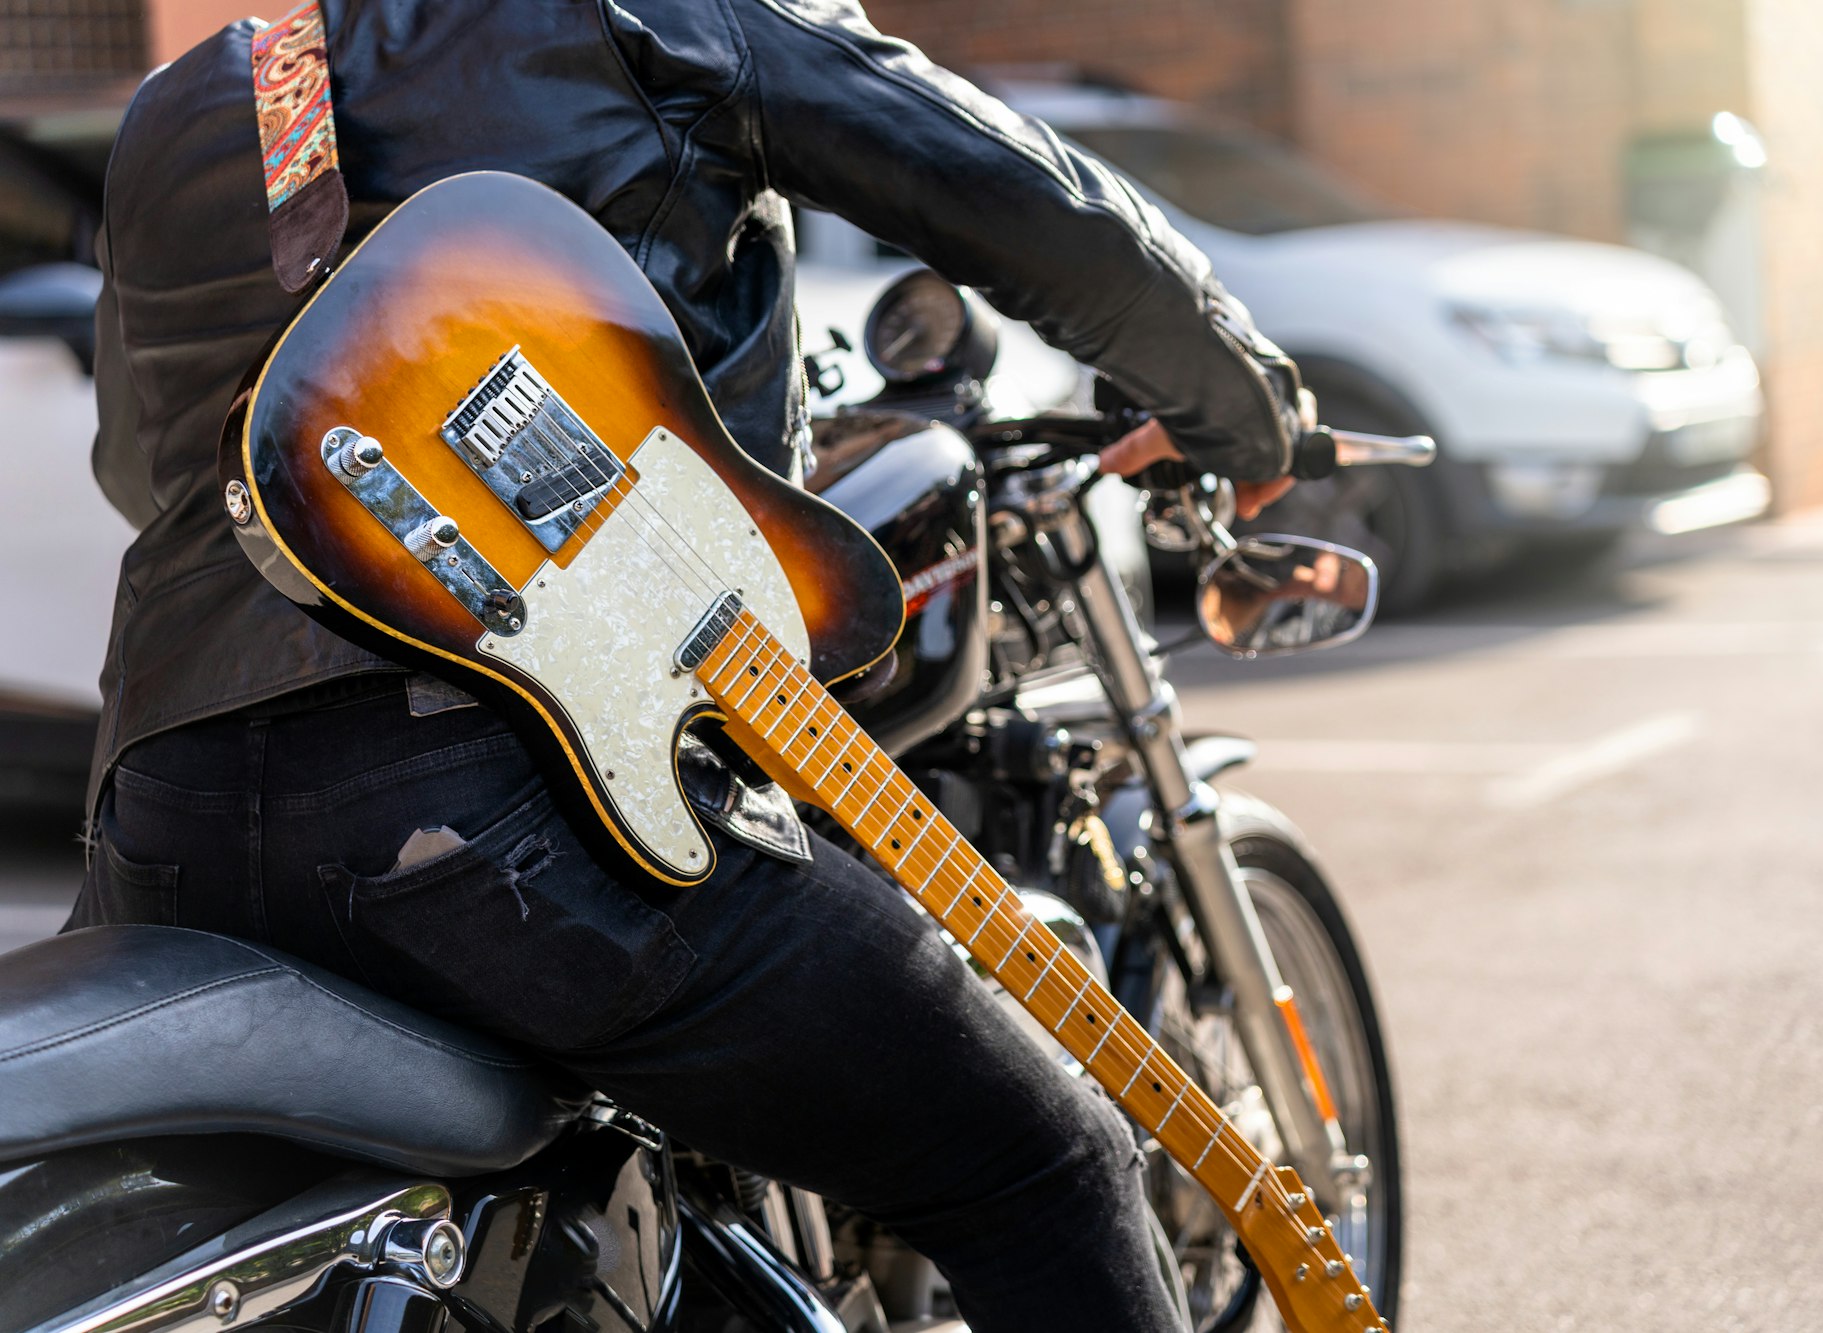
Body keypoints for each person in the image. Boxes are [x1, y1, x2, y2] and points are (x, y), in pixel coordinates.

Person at [72, 3, 1310, 1328]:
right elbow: (1014, 191)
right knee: (1045, 1157)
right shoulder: (651, 15)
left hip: (165, 818)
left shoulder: (203, 92)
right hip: (487, 824)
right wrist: (1240, 403)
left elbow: (143, 465)